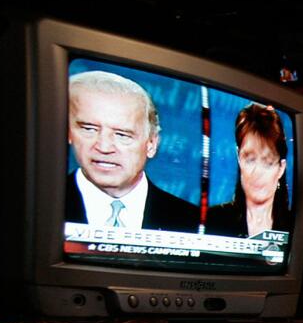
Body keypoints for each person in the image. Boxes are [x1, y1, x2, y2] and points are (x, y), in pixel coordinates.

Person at [65, 70, 199, 232]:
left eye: (122, 135)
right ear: (70, 133)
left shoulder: (191, 221)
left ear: (151, 144)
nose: (104, 147)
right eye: (89, 129)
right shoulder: (35, 204)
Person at [205, 103, 291, 237]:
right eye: (250, 159)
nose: (257, 172)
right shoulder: (214, 220)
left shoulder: (293, 226)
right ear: (239, 158)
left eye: (267, 162)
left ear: (281, 168)